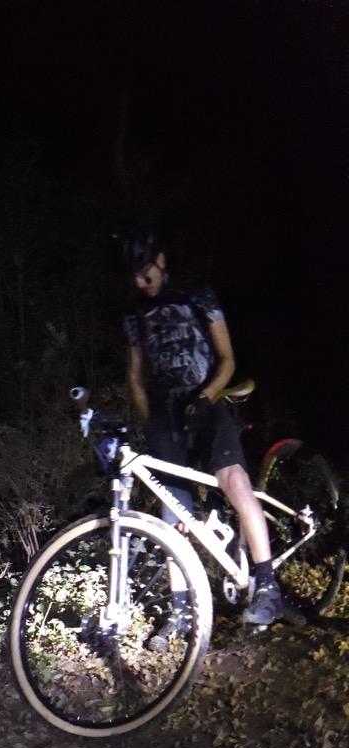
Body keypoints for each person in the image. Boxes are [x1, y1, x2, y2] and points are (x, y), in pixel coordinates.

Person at [119, 230, 282, 643]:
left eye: (145, 272)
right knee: (172, 510)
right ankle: (180, 611)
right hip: (166, 413)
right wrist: (153, 423)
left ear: (160, 260)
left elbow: (227, 359)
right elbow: (135, 378)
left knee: (234, 479)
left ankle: (267, 586)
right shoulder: (135, 314)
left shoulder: (198, 295)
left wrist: (206, 398)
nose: (141, 282)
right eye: (133, 276)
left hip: (208, 401)